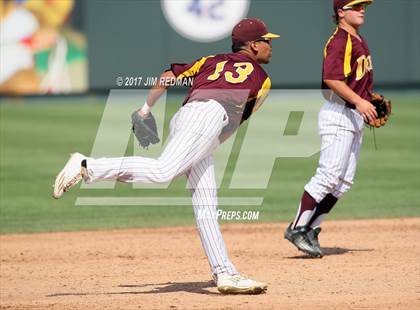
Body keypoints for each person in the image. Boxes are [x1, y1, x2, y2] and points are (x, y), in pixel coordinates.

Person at [53, 18, 279, 294]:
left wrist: (146, 110)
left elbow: (166, 77)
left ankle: (224, 273)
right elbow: (235, 122)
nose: (270, 46)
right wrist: (210, 141)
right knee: (163, 172)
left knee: (206, 205)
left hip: (188, 116)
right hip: (208, 121)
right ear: (253, 45)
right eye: (267, 41)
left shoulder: (210, 60)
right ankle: (88, 165)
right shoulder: (262, 79)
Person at [284, 0, 378, 258]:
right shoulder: (339, 41)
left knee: (344, 181)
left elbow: (354, 81)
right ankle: (297, 227)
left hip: (353, 115)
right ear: (340, 13)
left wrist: (369, 99)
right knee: (328, 175)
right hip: (338, 114)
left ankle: (311, 228)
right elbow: (331, 78)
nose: (362, 10)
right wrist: (359, 101)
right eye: (356, 7)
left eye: (364, 7)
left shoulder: (358, 39)